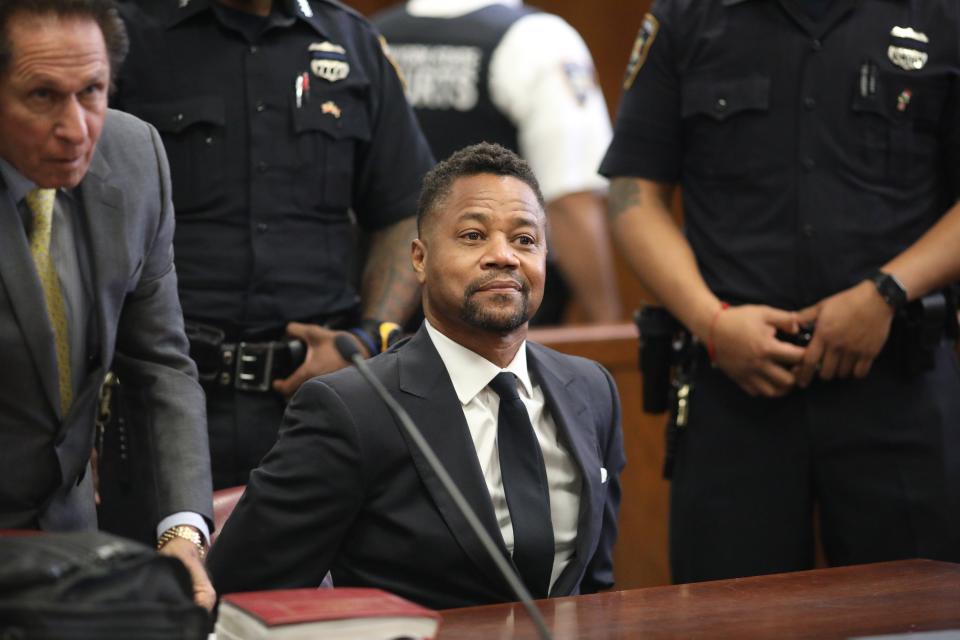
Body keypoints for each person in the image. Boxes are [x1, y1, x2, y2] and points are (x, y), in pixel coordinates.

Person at [600, 0, 960, 584]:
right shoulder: (687, 18)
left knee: (920, 615)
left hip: (900, 388)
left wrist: (887, 292)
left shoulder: (942, 16)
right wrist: (711, 323)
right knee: (726, 622)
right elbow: (632, 196)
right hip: (733, 387)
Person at [208, 143, 625, 609]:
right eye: (473, 235)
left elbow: (595, 585)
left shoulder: (592, 389)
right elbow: (241, 593)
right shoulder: (351, 409)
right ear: (419, 259)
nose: (503, 256)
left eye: (525, 240)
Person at [113, 0, 436, 489]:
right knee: (166, 563)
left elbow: (404, 210)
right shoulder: (126, 35)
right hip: (159, 396)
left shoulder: (354, 43)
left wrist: (369, 336)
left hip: (316, 398)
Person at [0, 0, 215, 609]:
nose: (75, 128)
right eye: (42, 96)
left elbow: (161, 366)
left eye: (91, 91)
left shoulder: (134, 155)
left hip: (69, 543)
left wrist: (182, 535)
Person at [373, 0, 622, 325]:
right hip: (499, 330)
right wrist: (607, 328)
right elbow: (571, 203)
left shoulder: (373, 37)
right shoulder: (540, 40)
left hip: (381, 327)